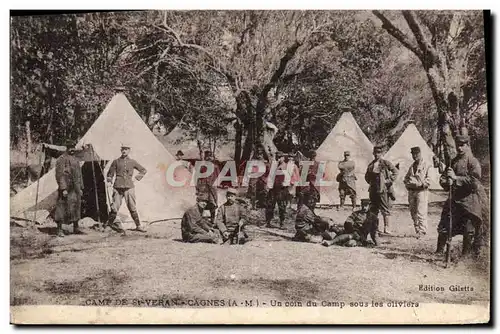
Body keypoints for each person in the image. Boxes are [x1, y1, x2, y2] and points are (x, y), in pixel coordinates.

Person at [436, 135, 487, 258]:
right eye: (458, 145)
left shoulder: (473, 161)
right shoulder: (452, 161)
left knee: (468, 229)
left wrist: (456, 179)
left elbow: (475, 182)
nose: (459, 148)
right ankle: (439, 252)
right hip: (454, 200)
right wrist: (446, 182)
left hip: (469, 201)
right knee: (444, 225)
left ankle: (466, 256)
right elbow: (443, 178)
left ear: (467, 145)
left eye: (462, 145)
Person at [104, 143, 147, 234]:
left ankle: (138, 226)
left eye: (126, 149)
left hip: (129, 187)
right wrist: (109, 181)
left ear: (129, 150)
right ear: (121, 150)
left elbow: (143, 170)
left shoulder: (132, 162)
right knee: (115, 207)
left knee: (132, 207)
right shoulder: (116, 161)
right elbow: (110, 173)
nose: (124, 151)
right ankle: (109, 225)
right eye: (123, 149)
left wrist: (136, 179)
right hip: (118, 187)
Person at [365, 145, 398, 235]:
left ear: (382, 153)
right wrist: (371, 183)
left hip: (383, 189)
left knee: (385, 208)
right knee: (373, 208)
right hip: (373, 189)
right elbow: (367, 176)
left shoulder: (386, 163)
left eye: (379, 153)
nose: (377, 154)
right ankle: (375, 227)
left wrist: (388, 181)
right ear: (373, 153)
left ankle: (387, 228)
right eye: (375, 153)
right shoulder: (371, 165)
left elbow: (395, 172)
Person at [54, 141, 84, 237]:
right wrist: (63, 189)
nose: (72, 149)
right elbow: (59, 175)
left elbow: (79, 175)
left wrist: (81, 187)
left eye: (73, 147)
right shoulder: (61, 159)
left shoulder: (76, 159)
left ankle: (76, 227)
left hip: (75, 188)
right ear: (67, 148)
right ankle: (59, 229)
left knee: (76, 207)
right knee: (62, 208)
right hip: (66, 187)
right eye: (70, 147)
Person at [403, 146, 431, 238]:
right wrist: (408, 183)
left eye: (416, 154)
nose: (415, 156)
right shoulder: (412, 166)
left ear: (420, 153)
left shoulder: (426, 165)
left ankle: (422, 231)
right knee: (413, 211)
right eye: (413, 154)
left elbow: (429, 180)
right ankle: (417, 229)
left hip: (421, 191)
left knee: (421, 211)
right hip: (412, 191)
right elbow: (406, 178)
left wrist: (420, 183)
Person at [265, 151, 289, 229]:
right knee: (270, 205)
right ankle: (268, 222)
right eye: (277, 157)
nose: (278, 159)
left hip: (281, 190)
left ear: (283, 157)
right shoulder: (274, 165)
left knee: (282, 207)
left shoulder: (286, 166)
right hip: (273, 189)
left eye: (279, 157)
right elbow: (270, 176)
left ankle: (282, 223)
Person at [196, 150, 220, 225]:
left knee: (213, 204)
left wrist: (215, 184)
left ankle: (212, 220)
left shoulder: (215, 167)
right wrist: (197, 188)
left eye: (210, 157)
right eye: (207, 157)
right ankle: (200, 220)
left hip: (212, 187)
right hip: (204, 188)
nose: (209, 158)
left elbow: (218, 176)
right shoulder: (202, 167)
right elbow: (198, 177)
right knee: (202, 203)